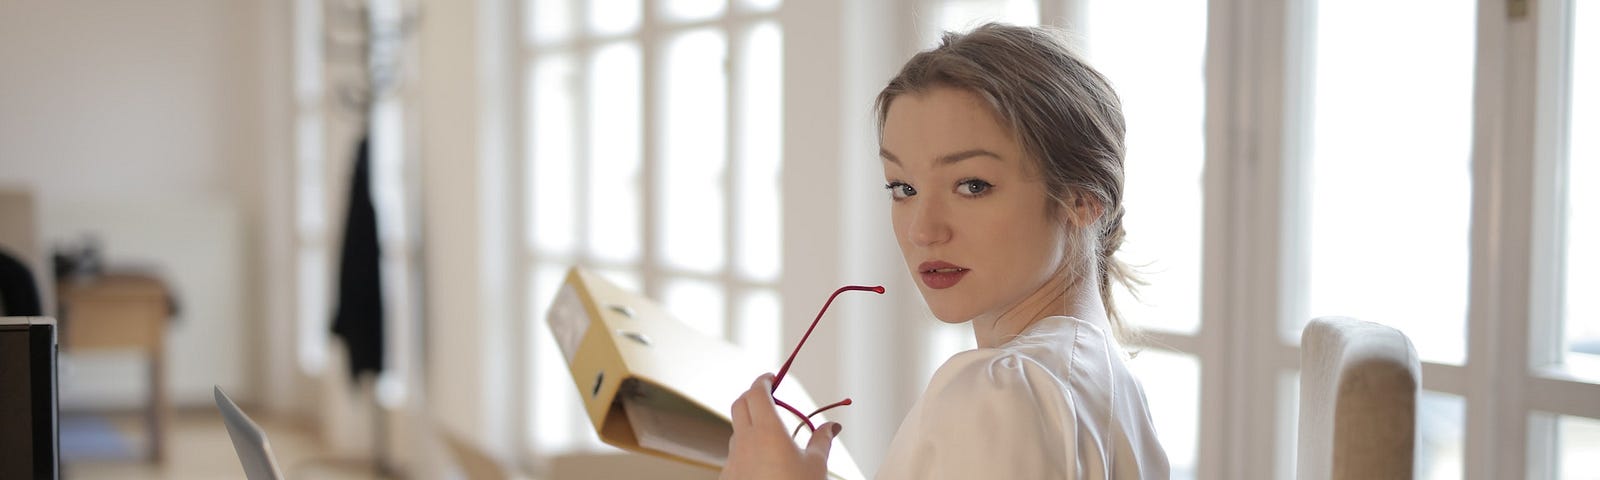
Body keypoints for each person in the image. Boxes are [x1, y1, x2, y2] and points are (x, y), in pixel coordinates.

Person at [720, 23, 1170, 479]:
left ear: (1082, 198)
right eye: (903, 187)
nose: (922, 230)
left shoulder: (1001, 391)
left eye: (972, 186)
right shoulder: (1115, 391)